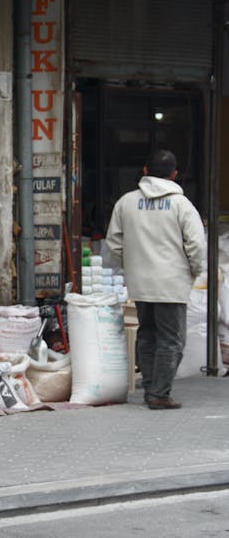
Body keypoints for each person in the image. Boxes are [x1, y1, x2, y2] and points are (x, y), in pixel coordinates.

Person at [105, 149, 205, 410]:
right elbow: (196, 245)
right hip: (172, 284)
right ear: (174, 174)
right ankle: (159, 394)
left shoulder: (126, 202)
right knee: (172, 340)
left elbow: (114, 243)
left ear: (145, 171)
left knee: (147, 335)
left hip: (140, 283)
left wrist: (132, 267)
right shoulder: (181, 205)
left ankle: (151, 387)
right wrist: (193, 271)